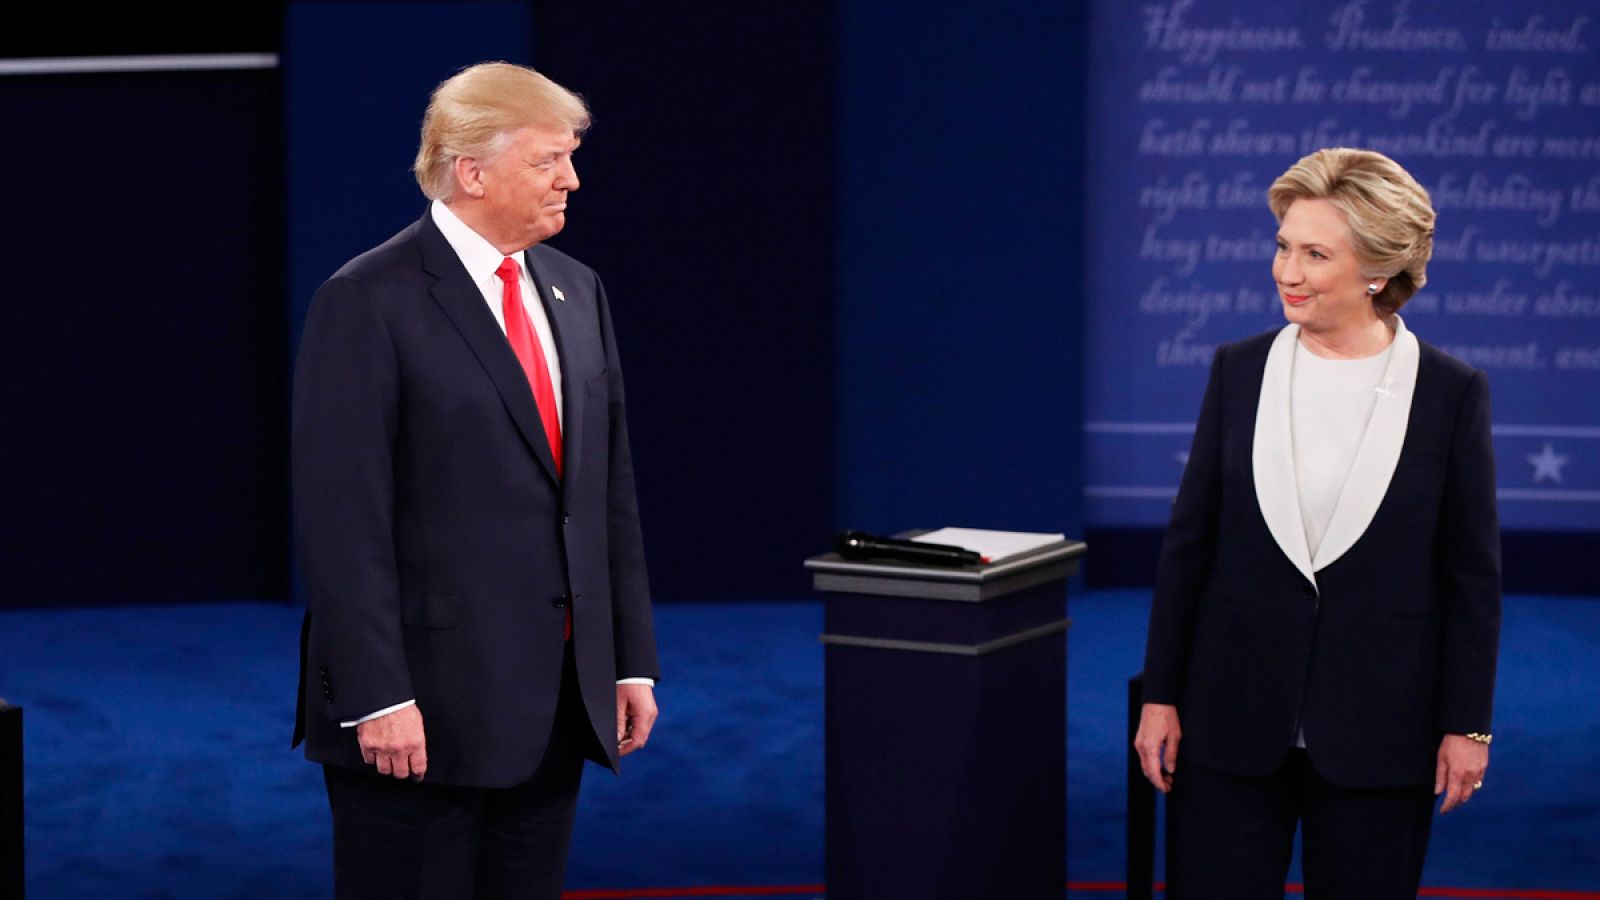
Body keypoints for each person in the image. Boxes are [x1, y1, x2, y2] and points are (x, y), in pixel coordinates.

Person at [291, 62, 660, 899]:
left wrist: (628, 660)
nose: (571, 179)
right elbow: (342, 521)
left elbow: (607, 494)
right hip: (423, 712)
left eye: (570, 157)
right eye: (547, 161)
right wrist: (376, 695)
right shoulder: (367, 298)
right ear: (473, 172)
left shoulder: (576, 288)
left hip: (557, 703)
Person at [1133, 148, 1500, 899]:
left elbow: (1470, 577)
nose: (1287, 271)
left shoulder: (1449, 392)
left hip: (1381, 730)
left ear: (1378, 271)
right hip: (1229, 721)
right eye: (1283, 246)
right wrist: (1160, 694)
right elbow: (1190, 547)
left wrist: (1468, 725)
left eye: (1315, 254)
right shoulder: (1238, 371)